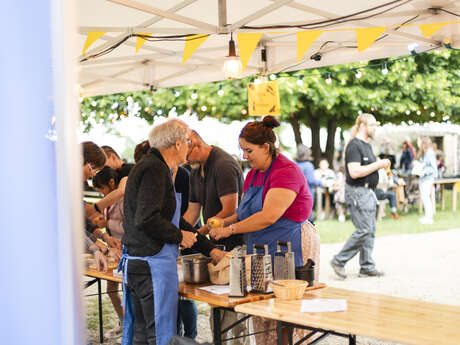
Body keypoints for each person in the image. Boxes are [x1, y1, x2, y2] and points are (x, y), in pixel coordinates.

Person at [208, 116, 316, 345]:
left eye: (249, 150)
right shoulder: (253, 174)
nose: (244, 156)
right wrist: (222, 222)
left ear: (266, 147)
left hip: (289, 247)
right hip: (260, 247)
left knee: (286, 315)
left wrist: (230, 230)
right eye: (242, 150)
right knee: (261, 311)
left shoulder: (287, 172)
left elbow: (268, 216)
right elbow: (244, 211)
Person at [120, 119, 223, 345]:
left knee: (142, 335)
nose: (188, 146)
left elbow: (173, 220)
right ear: (177, 143)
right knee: (159, 335)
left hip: (140, 263)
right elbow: (147, 218)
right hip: (150, 266)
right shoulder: (154, 169)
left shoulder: (155, 167)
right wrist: (178, 236)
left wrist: (210, 249)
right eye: (187, 142)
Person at [182, 130, 246, 344]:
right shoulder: (194, 171)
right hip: (214, 243)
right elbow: (192, 213)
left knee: (235, 306)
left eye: (187, 155)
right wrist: (179, 232)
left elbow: (230, 209)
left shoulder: (223, 164)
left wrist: (199, 233)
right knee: (216, 304)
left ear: (197, 144)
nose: (185, 159)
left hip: (235, 243)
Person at [330, 113, 389, 279]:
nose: (375, 128)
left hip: (367, 191)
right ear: (362, 125)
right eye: (372, 125)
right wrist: (378, 164)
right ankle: (339, 260)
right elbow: (354, 172)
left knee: (370, 230)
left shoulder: (367, 145)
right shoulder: (354, 145)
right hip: (357, 192)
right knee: (364, 230)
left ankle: (366, 265)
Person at [93, 167, 125, 336]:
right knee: (111, 288)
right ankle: (124, 321)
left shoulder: (123, 198)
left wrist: (107, 224)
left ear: (112, 183)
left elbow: (129, 226)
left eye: (102, 189)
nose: (101, 193)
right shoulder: (108, 200)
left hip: (128, 248)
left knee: (126, 290)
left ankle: (131, 325)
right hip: (115, 250)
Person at [417, 136, 437, 225]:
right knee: (424, 197)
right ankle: (427, 216)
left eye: (418, 140)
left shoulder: (429, 153)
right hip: (423, 179)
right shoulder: (424, 153)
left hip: (428, 179)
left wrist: (424, 173)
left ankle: (429, 218)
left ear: (423, 142)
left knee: (426, 197)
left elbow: (433, 168)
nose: (417, 142)